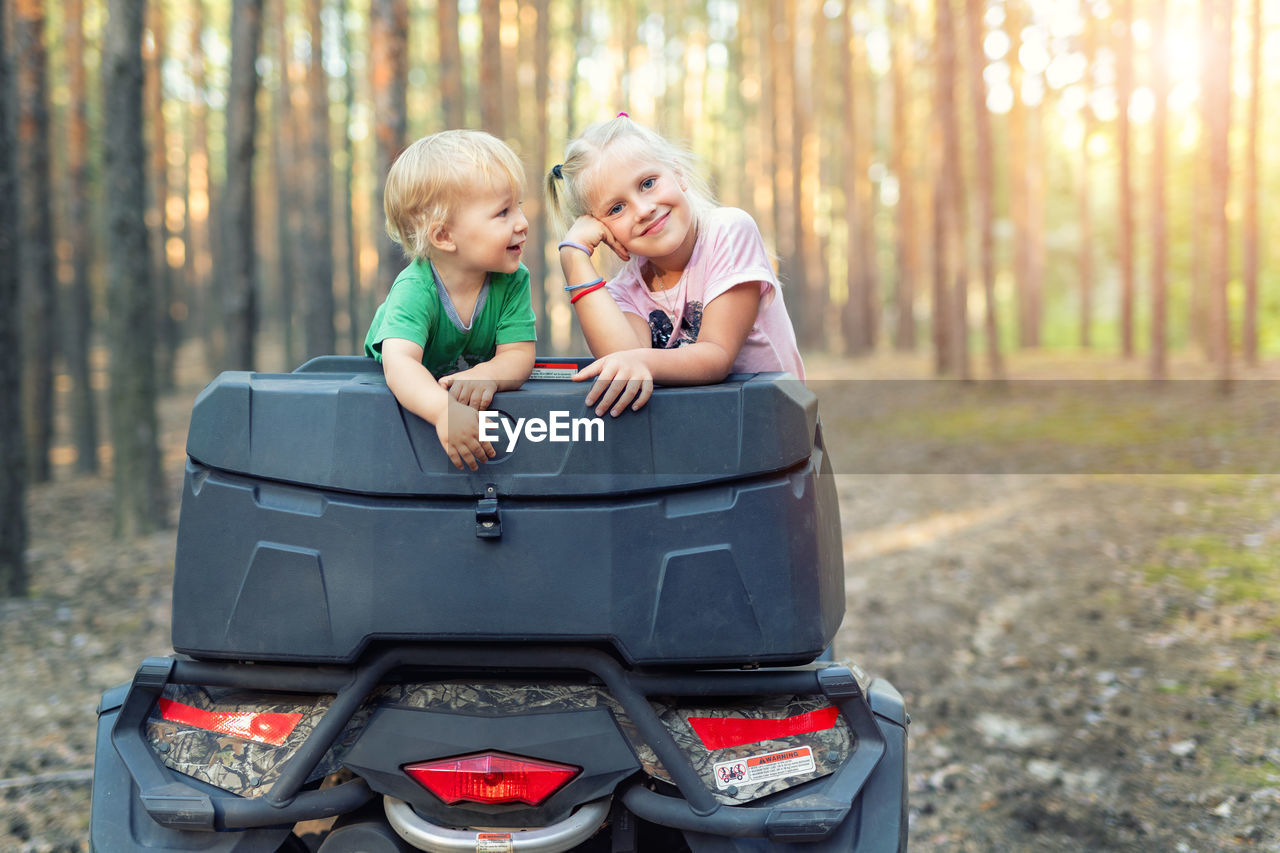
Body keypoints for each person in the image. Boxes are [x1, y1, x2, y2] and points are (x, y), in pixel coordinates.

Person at [546, 114, 803, 418]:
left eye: (648, 183)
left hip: (776, 431)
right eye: (616, 208)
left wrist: (640, 361)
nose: (643, 210)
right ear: (602, 229)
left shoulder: (728, 232)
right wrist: (574, 257)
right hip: (699, 439)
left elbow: (716, 355)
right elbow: (624, 365)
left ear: (678, 174)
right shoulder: (624, 291)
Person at [365, 130, 536, 470]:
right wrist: (442, 410)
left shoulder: (513, 279)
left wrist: (488, 373)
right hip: (405, 406)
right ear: (444, 235)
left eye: (518, 206)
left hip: (460, 404)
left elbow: (518, 354)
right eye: (503, 212)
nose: (523, 222)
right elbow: (400, 365)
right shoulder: (416, 288)